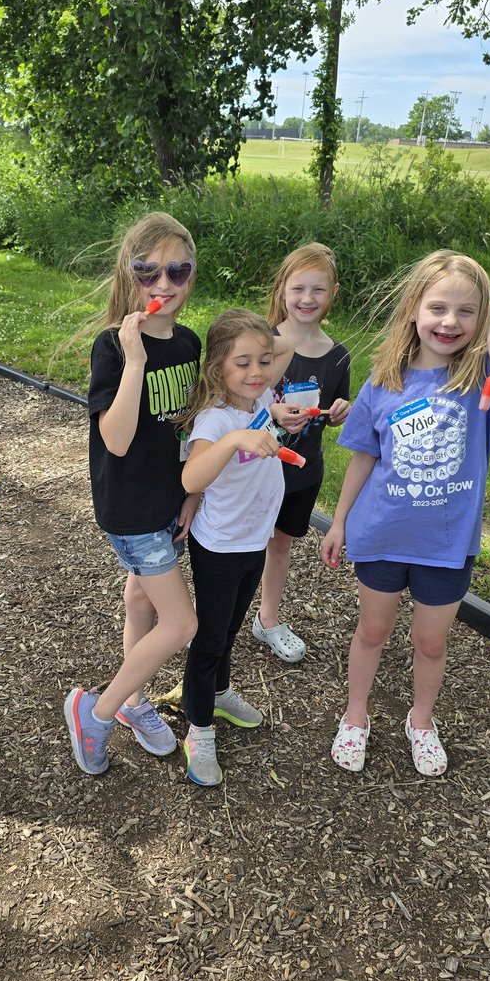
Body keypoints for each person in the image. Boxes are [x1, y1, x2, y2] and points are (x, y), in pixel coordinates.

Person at [321, 249, 490, 777]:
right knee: (371, 632)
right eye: (437, 307)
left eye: (467, 311)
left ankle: (421, 721)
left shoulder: (488, 377)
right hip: (382, 534)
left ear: (481, 319)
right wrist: (339, 521)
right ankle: (355, 715)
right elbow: (365, 456)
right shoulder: (383, 382)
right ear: (413, 309)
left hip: (446, 545)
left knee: (431, 641)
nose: (450, 321)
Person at [64, 213, 200, 776]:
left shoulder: (191, 343)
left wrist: (191, 495)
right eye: (148, 272)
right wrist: (136, 360)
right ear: (129, 274)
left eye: (177, 271)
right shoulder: (113, 347)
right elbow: (116, 440)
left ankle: (134, 701)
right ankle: (96, 710)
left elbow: (188, 428)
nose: (162, 286)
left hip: (168, 499)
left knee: (142, 600)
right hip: (130, 509)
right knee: (181, 625)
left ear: (192, 276)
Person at [178, 308, 299, 786]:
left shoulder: (262, 397)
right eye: (242, 363)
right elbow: (192, 476)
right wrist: (233, 440)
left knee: (228, 629)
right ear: (217, 370)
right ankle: (198, 727)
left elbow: (283, 346)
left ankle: (219, 691)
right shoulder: (215, 419)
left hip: (254, 539)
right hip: (220, 546)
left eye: (263, 362)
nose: (256, 372)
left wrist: (276, 410)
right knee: (208, 640)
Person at [253, 243, 351, 663]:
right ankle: (218, 616)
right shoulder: (262, 341)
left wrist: (339, 413)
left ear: (333, 293)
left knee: (279, 546)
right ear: (283, 290)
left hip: (302, 474)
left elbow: (334, 407)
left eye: (318, 290)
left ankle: (267, 619)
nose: (307, 300)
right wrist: (270, 409)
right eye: (298, 289)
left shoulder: (339, 355)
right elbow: (235, 401)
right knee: (240, 544)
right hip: (253, 470)